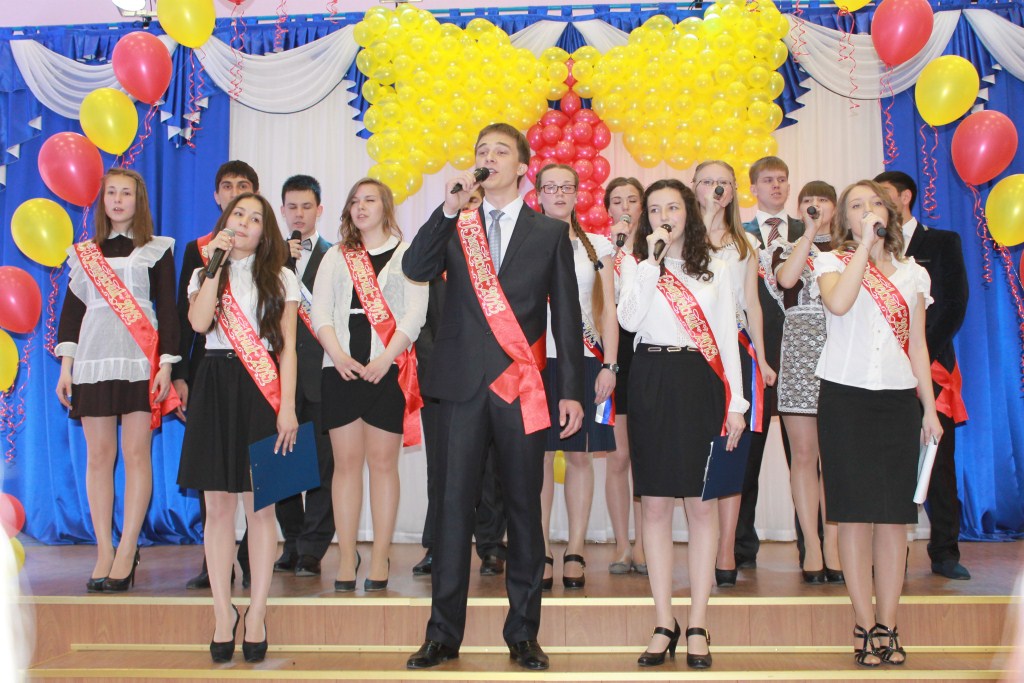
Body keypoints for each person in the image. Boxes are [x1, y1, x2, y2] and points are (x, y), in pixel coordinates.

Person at [403, 123, 584, 672]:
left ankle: (523, 634)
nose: (489, 157)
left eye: (501, 151)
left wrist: (571, 392)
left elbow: (567, 316)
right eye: (482, 150)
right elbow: (414, 268)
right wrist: (446, 209)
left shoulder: (549, 232)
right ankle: (442, 635)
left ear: (523, 167)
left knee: (525, 510)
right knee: (452, 510)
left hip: (520, 387)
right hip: (459, 388)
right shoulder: (456, 223)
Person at [618, 179, 748, 669]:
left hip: (701, 381)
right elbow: (629, 320)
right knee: (654, 505)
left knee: (701, 505)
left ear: (689, 213)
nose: (663, 216)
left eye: (672, 207)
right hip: (651, 378)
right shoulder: (635, 264)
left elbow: (727, 338)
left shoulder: (716, 266)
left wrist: (737, 403)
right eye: (654, 209)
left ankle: (697, 621)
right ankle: (663, 621)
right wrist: (650, 264)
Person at [813, 180, 942, 667]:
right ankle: (863, 622)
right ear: (845, 219)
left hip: (897, 399)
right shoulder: (831, 262)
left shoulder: (913, 273)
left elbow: (918, 345)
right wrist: (863, 250)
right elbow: (839, 304)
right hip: (845, 398)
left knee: (893, 520)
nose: (867, 211)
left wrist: (929, 408)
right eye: (856, 206)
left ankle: (889, 623)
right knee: (853, 515)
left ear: (889, 212)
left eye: (874, 204)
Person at [176, 192, 300, 664]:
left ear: (266, 231)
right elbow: (198, 323)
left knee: (261, 508)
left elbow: (288, 348)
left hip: (263, 390)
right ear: (224, 222)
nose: (245, 222)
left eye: (255, 218)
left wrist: (287, 407)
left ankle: (258, 612)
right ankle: (223, 612)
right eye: (238, 215)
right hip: (214, 383)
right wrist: (215, 267)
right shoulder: (204, 272)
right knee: (218, 507)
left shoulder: (282, 276)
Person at [55, 168, 179, 593]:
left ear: (138, 200)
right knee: (99, 456)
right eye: (111, 193)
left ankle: (128, 547)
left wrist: (166, 364)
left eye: (126, 193)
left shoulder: (156, 249)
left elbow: (168, 309)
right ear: (102, 200)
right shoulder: (84, 254)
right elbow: (72, 313)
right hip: (93, 361)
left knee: (136, 453)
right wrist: (67, 366)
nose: (118, 200)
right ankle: (104, 549)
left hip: (140, 363)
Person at [311, 178, 427, 593]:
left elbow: (415, 315)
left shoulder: (407, 254)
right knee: (345, 466)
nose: (361, 207)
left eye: (370, 200)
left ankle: (380, 555)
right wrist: (338, 355)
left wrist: (386, 358)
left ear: (385, 207)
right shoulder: (336, 256)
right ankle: (346, 555)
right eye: (354, 201)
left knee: (382, 464)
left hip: (387, 369)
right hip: (340, 369)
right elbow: (320, 312)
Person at [874, 170, 970, 581]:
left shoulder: (942, 242)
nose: (877, 204)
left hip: (931, 365)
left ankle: (945, 550)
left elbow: (954, 304)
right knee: (887, 461)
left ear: (905, 197)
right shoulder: (870, 246)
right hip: (881, 370)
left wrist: (916, 349)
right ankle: (890, 555)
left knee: (939, 460)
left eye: (883, 195)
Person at [414, 187, 508, 579]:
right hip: (442, 375)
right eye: (463, 202)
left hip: (492, 373)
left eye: (476, 202)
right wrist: (436, 362)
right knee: (442, 467)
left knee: (490, 467)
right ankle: (436, 545)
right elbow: (418, 313)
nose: (469, 209)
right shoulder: (442, 241)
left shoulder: (496, 251)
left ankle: (490, 545)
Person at [174, 160, 260, 590]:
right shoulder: (201, 253)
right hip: (211, 373)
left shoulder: (273, 265)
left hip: (262, 381)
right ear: (217, 198)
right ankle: (217, 568)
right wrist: (179, 373)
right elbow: (188, 318)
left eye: (244, 188)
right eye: (228, 188)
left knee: (261, 493)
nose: (235, 194)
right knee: (215, 484)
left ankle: (256, 569)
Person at [692, 161, 775, 588]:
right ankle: (701, 544)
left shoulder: (747, 243)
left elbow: (752, 303)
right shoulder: (681, 237)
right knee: (696, 449)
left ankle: (726, 548)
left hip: (736, 350)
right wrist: (703, 219)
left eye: (723, 182)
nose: (716, 188)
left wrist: (762, 357)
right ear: (694, 187)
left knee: (732, 449)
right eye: (707, 182)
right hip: (693, 351)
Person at [535, 164, 617, 591]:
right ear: (538, 194)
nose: (559, 194)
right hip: (536, 361)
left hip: (584, 360)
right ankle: (540, 548)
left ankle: (576, 548)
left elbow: (608, 310)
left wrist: (610, 365)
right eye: (551, 187)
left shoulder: (597, 246)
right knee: (538, 457)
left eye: (567, 187)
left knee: (581, 457)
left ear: (577, 193)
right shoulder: (523, 241)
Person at [769, 181, 844, 585]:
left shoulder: (852, 250)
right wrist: (810, 235)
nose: (815, 206)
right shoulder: (786, 247)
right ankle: (812, 545)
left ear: (836, 206)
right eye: (808, 201)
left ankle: (835, 544)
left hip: (843, 352)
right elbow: (786, 280)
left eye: (823, 201)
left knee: (835, 457)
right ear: (799, 209)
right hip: (799, 355)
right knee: (803, 454)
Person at [272, 175, 336, 578]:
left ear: (319, 210)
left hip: (321, 374)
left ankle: (313, 548)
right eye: (292, 207)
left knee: (323, 466)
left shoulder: (336, 256)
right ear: (282, 210)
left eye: (306, 207)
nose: (299, 214)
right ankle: (292, 542)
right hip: (277, 374)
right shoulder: (267, 258)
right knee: (281, 462)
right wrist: (281, 261)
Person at [740, 156, 801, 569]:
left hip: (801, 358)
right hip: (753, 357)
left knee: (806, 459)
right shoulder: (737, 235)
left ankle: (815, 548)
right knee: (747, 460)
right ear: (753, 188)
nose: (776, 186)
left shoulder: (809, 232)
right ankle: (740, 547)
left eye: (782, 179)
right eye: (767, 180)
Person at [605, 176, 647, 576]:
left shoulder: (657, 250)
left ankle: (646, 543)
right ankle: (621, 545)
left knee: (645, 456)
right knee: (618, 457)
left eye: (632, 200)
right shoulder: (601, 251)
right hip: (615, 356)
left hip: (650, 355)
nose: (625, 208)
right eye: (617, 201)